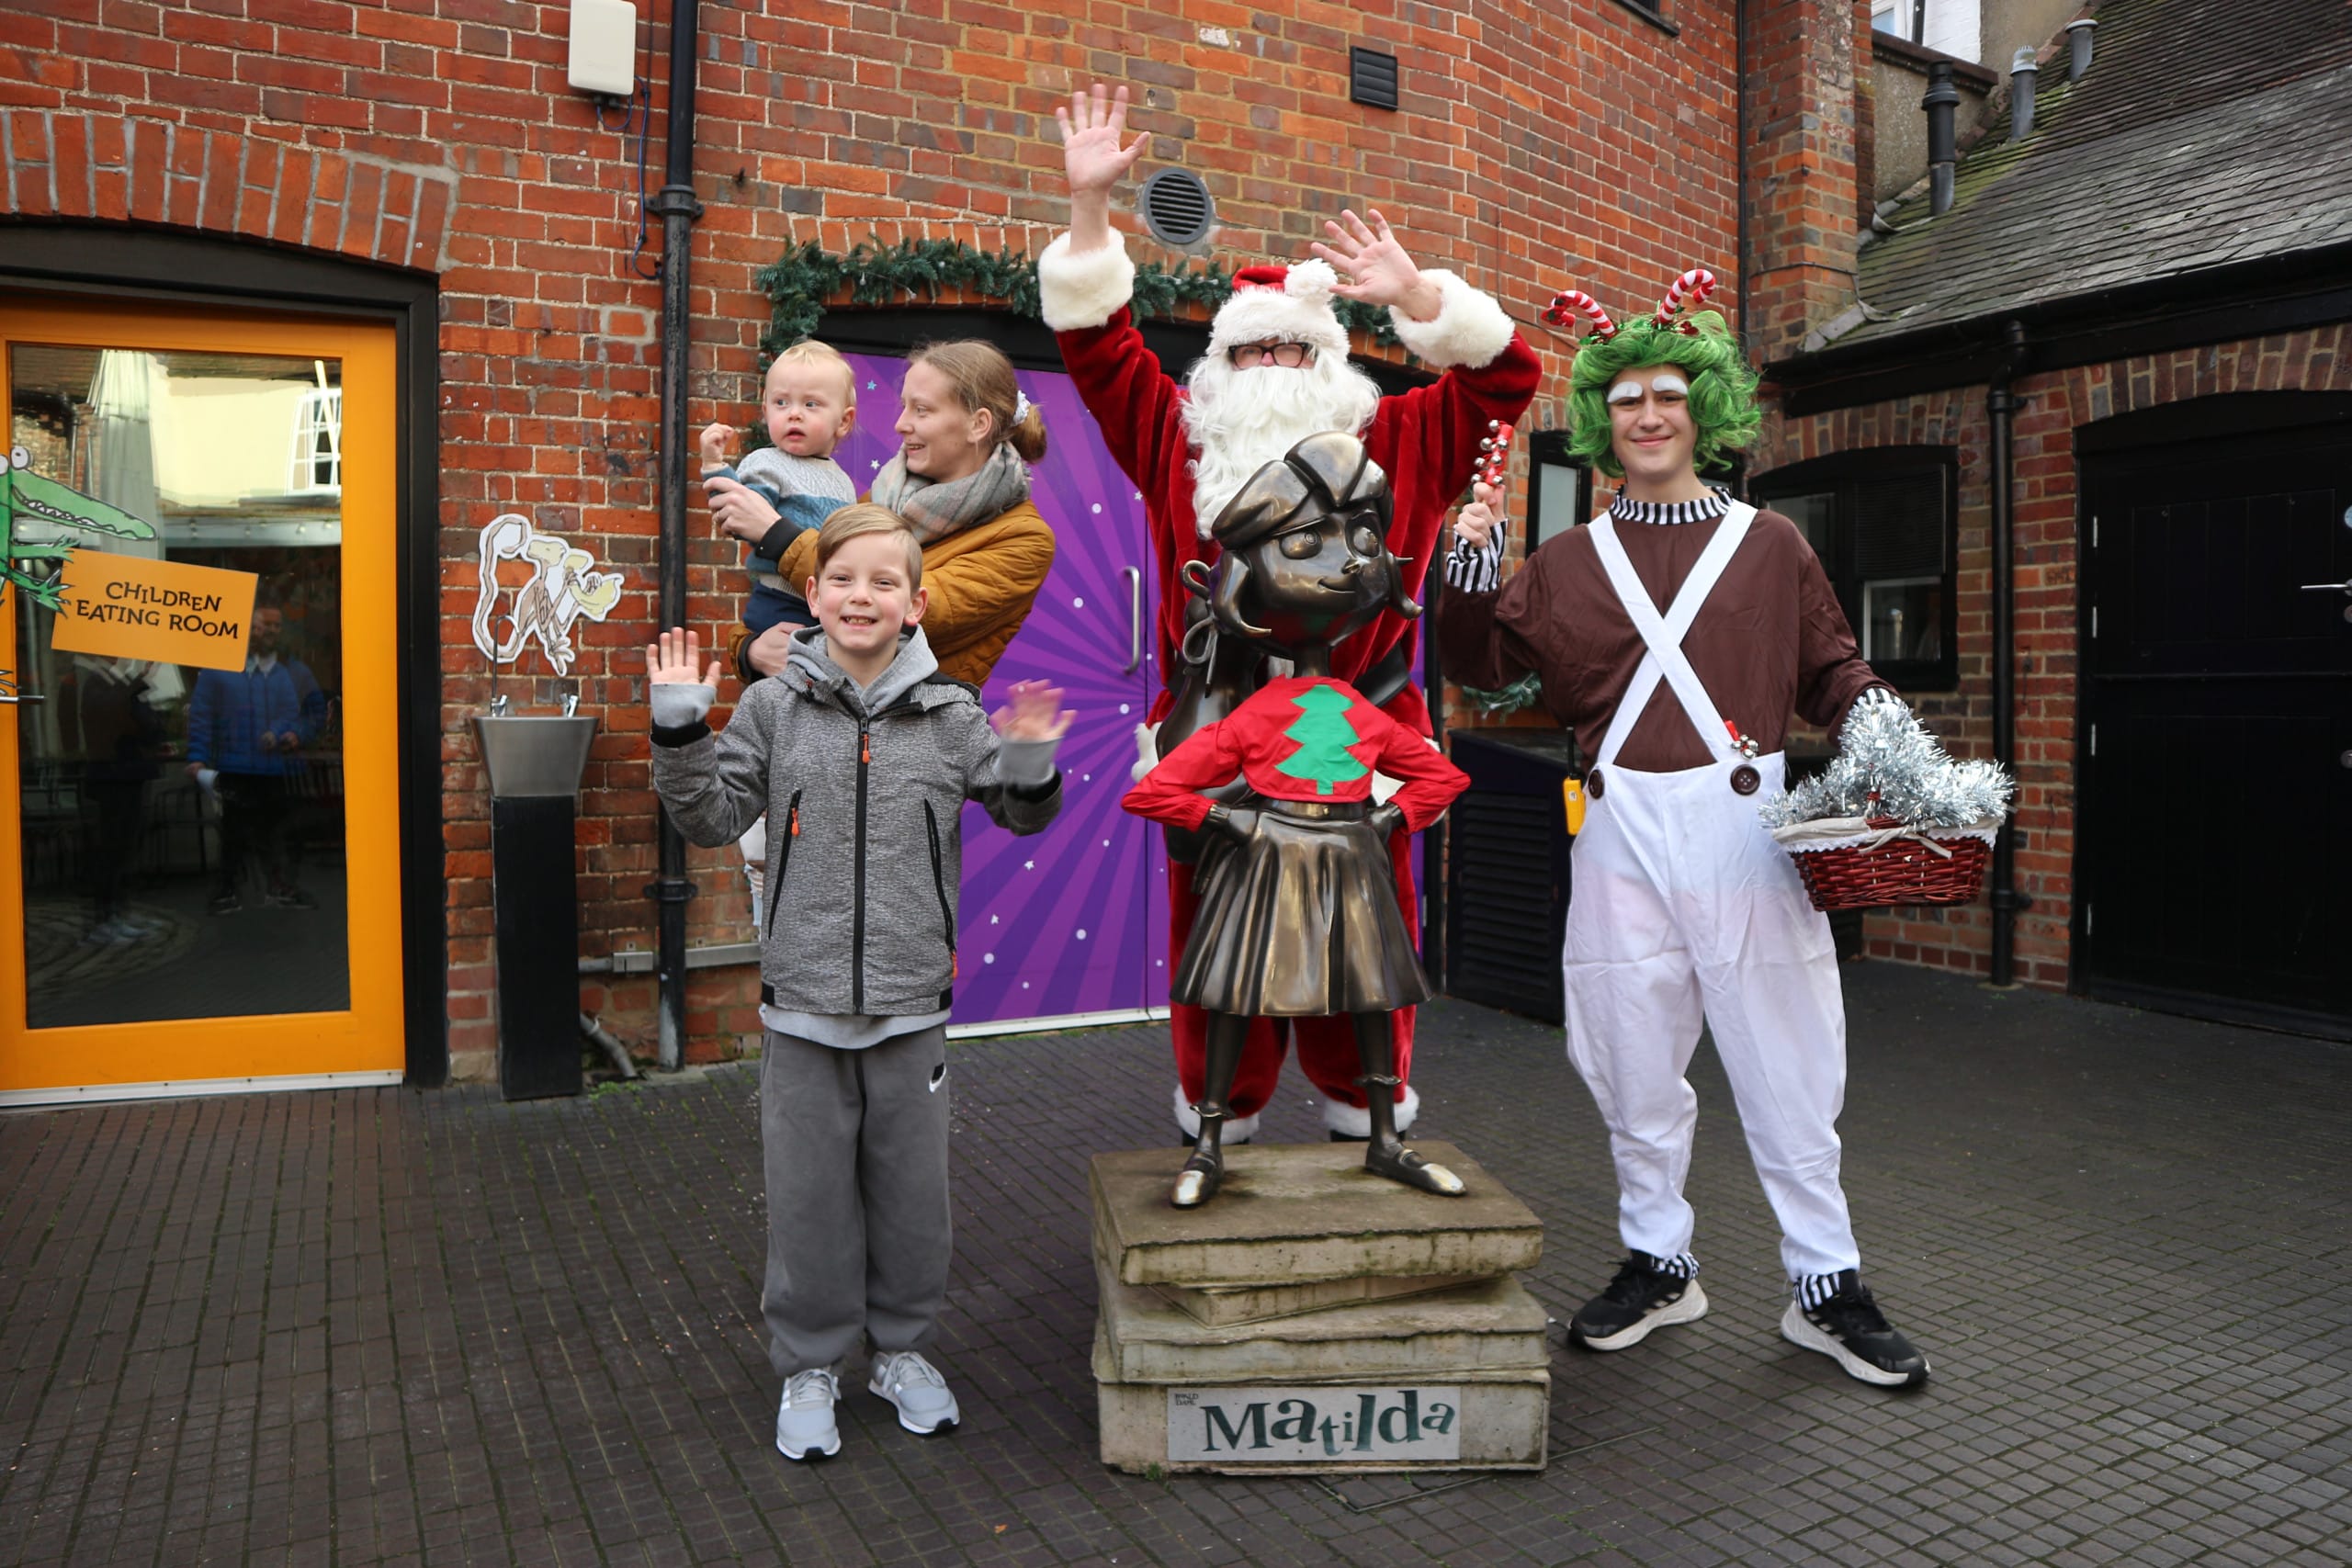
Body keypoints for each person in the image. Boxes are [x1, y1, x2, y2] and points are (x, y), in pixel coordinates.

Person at [1433, 277, 1932, 1388]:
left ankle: (1825, 1283)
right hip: (1614, 826)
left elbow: (1830, 671)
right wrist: (1467, 559)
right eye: (1625, 402)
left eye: (1668, 396)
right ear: (1603, 421)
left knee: (1785, 1056)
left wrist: (1890, 728)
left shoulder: (1770, 549)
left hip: (1742, 825)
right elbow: (1476, 665)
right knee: (1626, 1052)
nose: (1647, 416)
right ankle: (1660, 1261)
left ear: (1703, 411)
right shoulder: (1562, 563)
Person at [1042, 81, 1541, 1145]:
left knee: (1367, 924)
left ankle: (1367, 1097)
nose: (1272, 369)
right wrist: (1089, 214)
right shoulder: (1179, 442)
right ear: (1218, 369)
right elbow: (1096, 349)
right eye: (1251, 353)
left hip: (1358, 723)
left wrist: (1419, 299)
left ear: (1333, 367)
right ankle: (1223, 1099)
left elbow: (1507, 377)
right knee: (1215, 923)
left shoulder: (1402, 439)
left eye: (1293, 351)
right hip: (1219, 725)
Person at [647, 504, 1071, 1461]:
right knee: (807, 1201)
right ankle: (809, 1363)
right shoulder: (771, 710)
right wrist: (679, 729)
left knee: (913, 1198)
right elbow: (710, 817)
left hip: (911, 1006)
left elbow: (1021, 811)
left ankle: (903, 1353)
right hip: (800, 1009)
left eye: (885, 582)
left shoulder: (953, 715)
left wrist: (1033, 759)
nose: (861, 596)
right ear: (813, 594)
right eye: (844, 579)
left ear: (916, 605)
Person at [1122, 434, 1471, 1206]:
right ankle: (1209, 1140)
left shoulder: (1351, 709)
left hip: (1348, 866)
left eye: (1365, 542)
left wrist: (1387, 819)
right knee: (1235, 994)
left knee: (1373, 991)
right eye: (1307, 544)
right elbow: (1153, 793)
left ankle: (1384, 1137)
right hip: (1268, 868)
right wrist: (1235, 824)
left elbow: (1444, 775)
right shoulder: (1256, 715)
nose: (1349, 563)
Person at [707, 339, 1057, 919]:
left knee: (885, 920)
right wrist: (751, 652)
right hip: (816, 732)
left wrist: (775, 532)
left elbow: (916, 613)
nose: (900, 425)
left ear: (977, 423)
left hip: (908, 750)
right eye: (903, 407)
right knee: (786, 917)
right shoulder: (889, 496)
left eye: (922, 410)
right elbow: (811, 612)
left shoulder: (1022, 539)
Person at [699, 338, 861, 643]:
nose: (794, 413)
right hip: (780, 601)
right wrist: (713, 463)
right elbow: (739, 512)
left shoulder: (842, 481)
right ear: (766, 411)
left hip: (827, 604)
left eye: (810, 404)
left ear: (843, 421)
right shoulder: (767, 463)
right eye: (781, 403)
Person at [185, 603, 326, 914]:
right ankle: (228, 892)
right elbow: (202, 716)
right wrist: (198, 757)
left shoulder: (288, 671)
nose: (267, 632)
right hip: (236, 766)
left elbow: (306, 713)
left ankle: (277, 888)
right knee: (235, 833)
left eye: (274, 626)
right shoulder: (219, 669)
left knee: (278, 833)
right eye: (262, 625)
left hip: (277, 767)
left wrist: (291, 733)